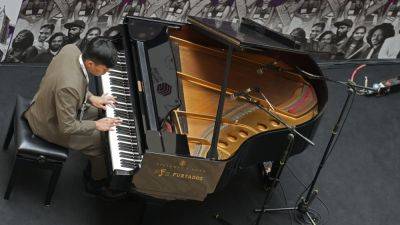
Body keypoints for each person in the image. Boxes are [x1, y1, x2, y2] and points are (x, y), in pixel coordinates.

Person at [24, 38, 123, 199]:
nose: (106, 73)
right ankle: (95, 183)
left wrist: (92, 98)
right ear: (91, 64)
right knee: (102, 142)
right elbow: (67, 127)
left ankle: (97, 168)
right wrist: (96, 125)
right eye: (104, 70)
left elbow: (78, 84)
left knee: (101, 112)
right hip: (47, 124)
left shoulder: (71, 50)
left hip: (51, 104)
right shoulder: (69, 87)